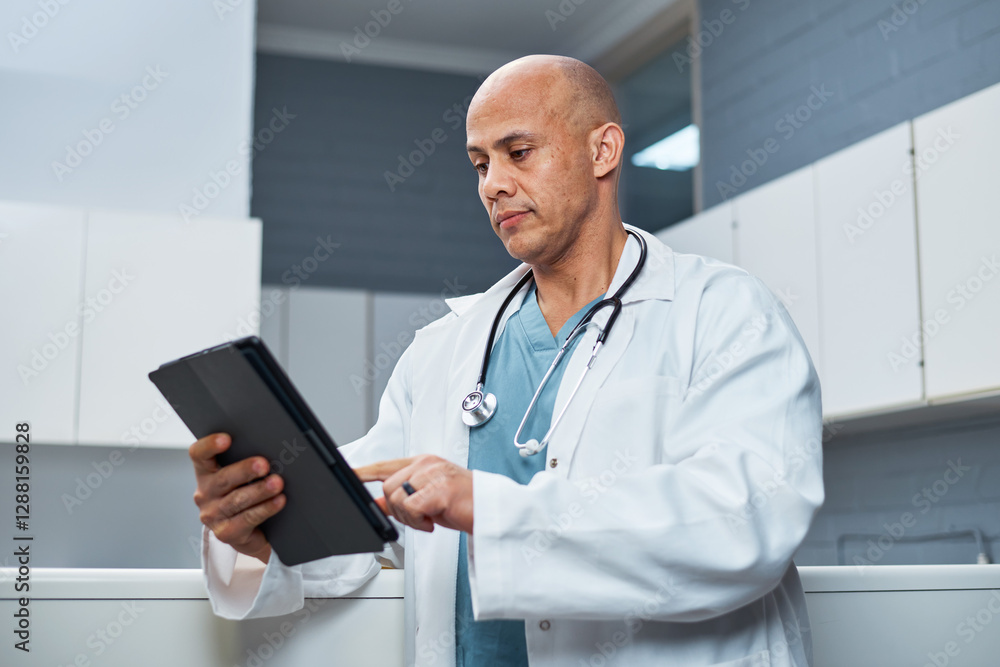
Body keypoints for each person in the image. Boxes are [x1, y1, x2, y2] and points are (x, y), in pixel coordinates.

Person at [189, 54, 824, 666]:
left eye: (518, 153)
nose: (493, 184)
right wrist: (257, 527)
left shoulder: (723, 311)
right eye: (479, 163)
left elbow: (747, 519)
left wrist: (487, 507)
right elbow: (364, 526)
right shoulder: (441, 351)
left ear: (602, 151)